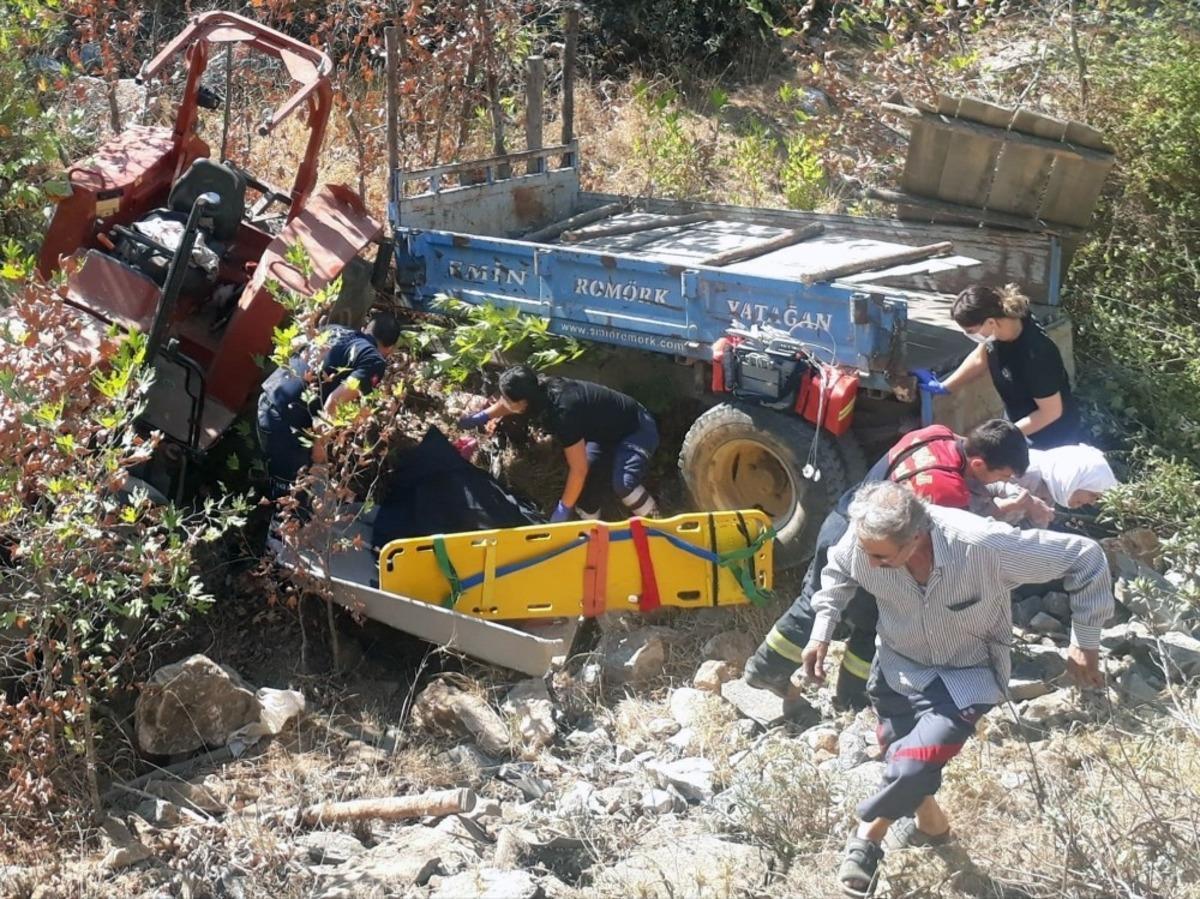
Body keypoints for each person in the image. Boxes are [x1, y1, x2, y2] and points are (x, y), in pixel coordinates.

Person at [801, 482, 1111, 897]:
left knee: (910, 766)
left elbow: (1085, 556)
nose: (869, 564)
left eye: (880, 557)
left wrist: (1085, 641)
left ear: (915, 538)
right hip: (896, 669)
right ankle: (935, 830)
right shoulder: (865, 544)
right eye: (867, 553)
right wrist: (821, 632)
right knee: (904, 763)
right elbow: (839, 571)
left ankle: (867, 839)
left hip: (968, 676)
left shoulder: (982, 545)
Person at [744, 419, 1050, 709]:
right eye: (1004, 475)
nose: (1003, 482)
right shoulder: (945, 490)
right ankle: (852, 696)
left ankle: (767, 667)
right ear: (980, 463)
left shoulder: (935, 434)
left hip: (843, 520)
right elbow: (957, 534)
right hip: (870, 547)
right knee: (879, 619)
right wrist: (1009, 512)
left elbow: (968, 490)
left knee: (814, 602)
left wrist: (1020, 500)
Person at [459, 365, 659, 522]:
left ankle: (657, 525)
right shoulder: (538, 391)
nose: (504, 403)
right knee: (583, 494)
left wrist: (563, 509)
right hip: (603, 434)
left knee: (623, 484)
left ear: (524, 402)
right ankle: (592, 535)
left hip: (635, 429)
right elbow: (508, 404)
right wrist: (481, 417)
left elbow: (578, 469)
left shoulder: (563, 413)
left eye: (509, 400)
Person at [914, 284, 1082, 449]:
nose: (969, 336)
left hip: (1050, 438)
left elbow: (1050, 412)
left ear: (991, 322)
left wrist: (998, 438)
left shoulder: (1036, 355)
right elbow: (981, 357)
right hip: (1017, 419)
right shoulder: (999, 329)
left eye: (971, 331)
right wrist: (944, 387)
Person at [257, 312, 402, 499]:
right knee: (294, 494)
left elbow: (296, 346)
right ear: (390, 349)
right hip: (285, 422)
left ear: (366, 327)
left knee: (280, 474)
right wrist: (319, 450)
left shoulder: (334, 329)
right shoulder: (373, 360)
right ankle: (278, 519)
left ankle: (269, 496)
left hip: (269, 398)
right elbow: (334, 402)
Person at [1017, 443, 1119, 509]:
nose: (1092, 502)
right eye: (1093, 495)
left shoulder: (1053, 488)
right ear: (1075, 479)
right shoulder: (1026, 473)